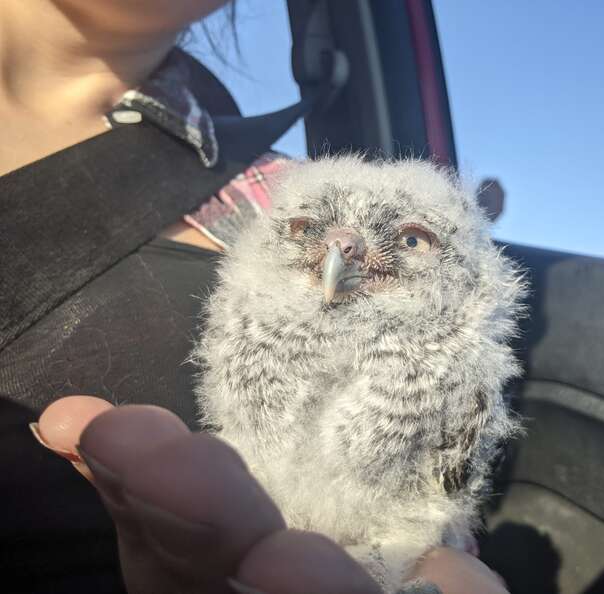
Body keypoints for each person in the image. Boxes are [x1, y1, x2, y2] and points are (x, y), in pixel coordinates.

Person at [0, 2, 510, 593]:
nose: (336, 249)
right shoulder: (297, 206)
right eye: (304, 233)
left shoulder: (279, 190)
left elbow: (433, 502)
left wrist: (435, 563)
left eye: (413, 240)